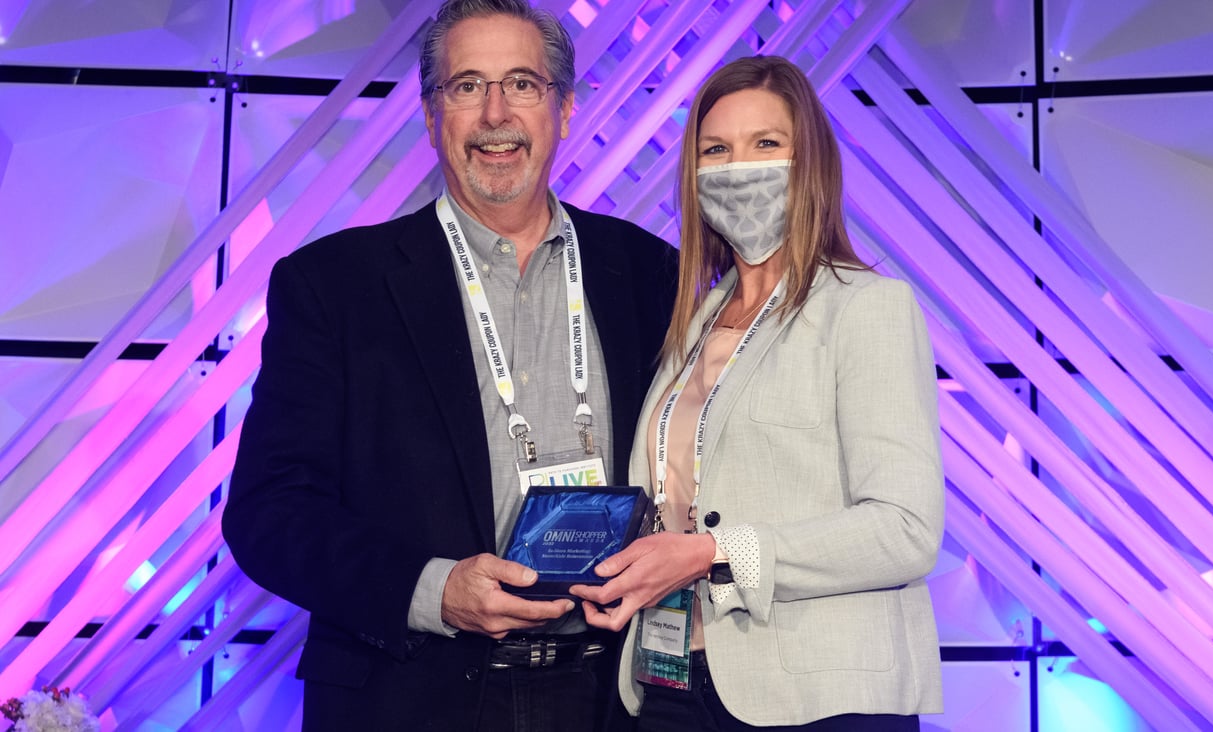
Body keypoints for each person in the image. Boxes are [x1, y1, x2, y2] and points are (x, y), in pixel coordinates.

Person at [221, 0, 677, 729]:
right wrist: (433, 590)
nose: (496, 113)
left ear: (563, 110)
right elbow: (268, 514)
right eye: (467, 86)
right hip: (413, 695)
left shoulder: (650, 273)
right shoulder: (335, 285)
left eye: (523, 84)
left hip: (613, 699)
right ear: (432, 118)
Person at [569, 56, 945, 730]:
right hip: (669, 684)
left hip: (816, 698)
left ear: (810, 165)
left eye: (765, 145)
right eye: (717, 150)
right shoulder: (692, 324)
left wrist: (716, 552)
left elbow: (906, 530)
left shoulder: (866, 307)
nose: (738, 168)